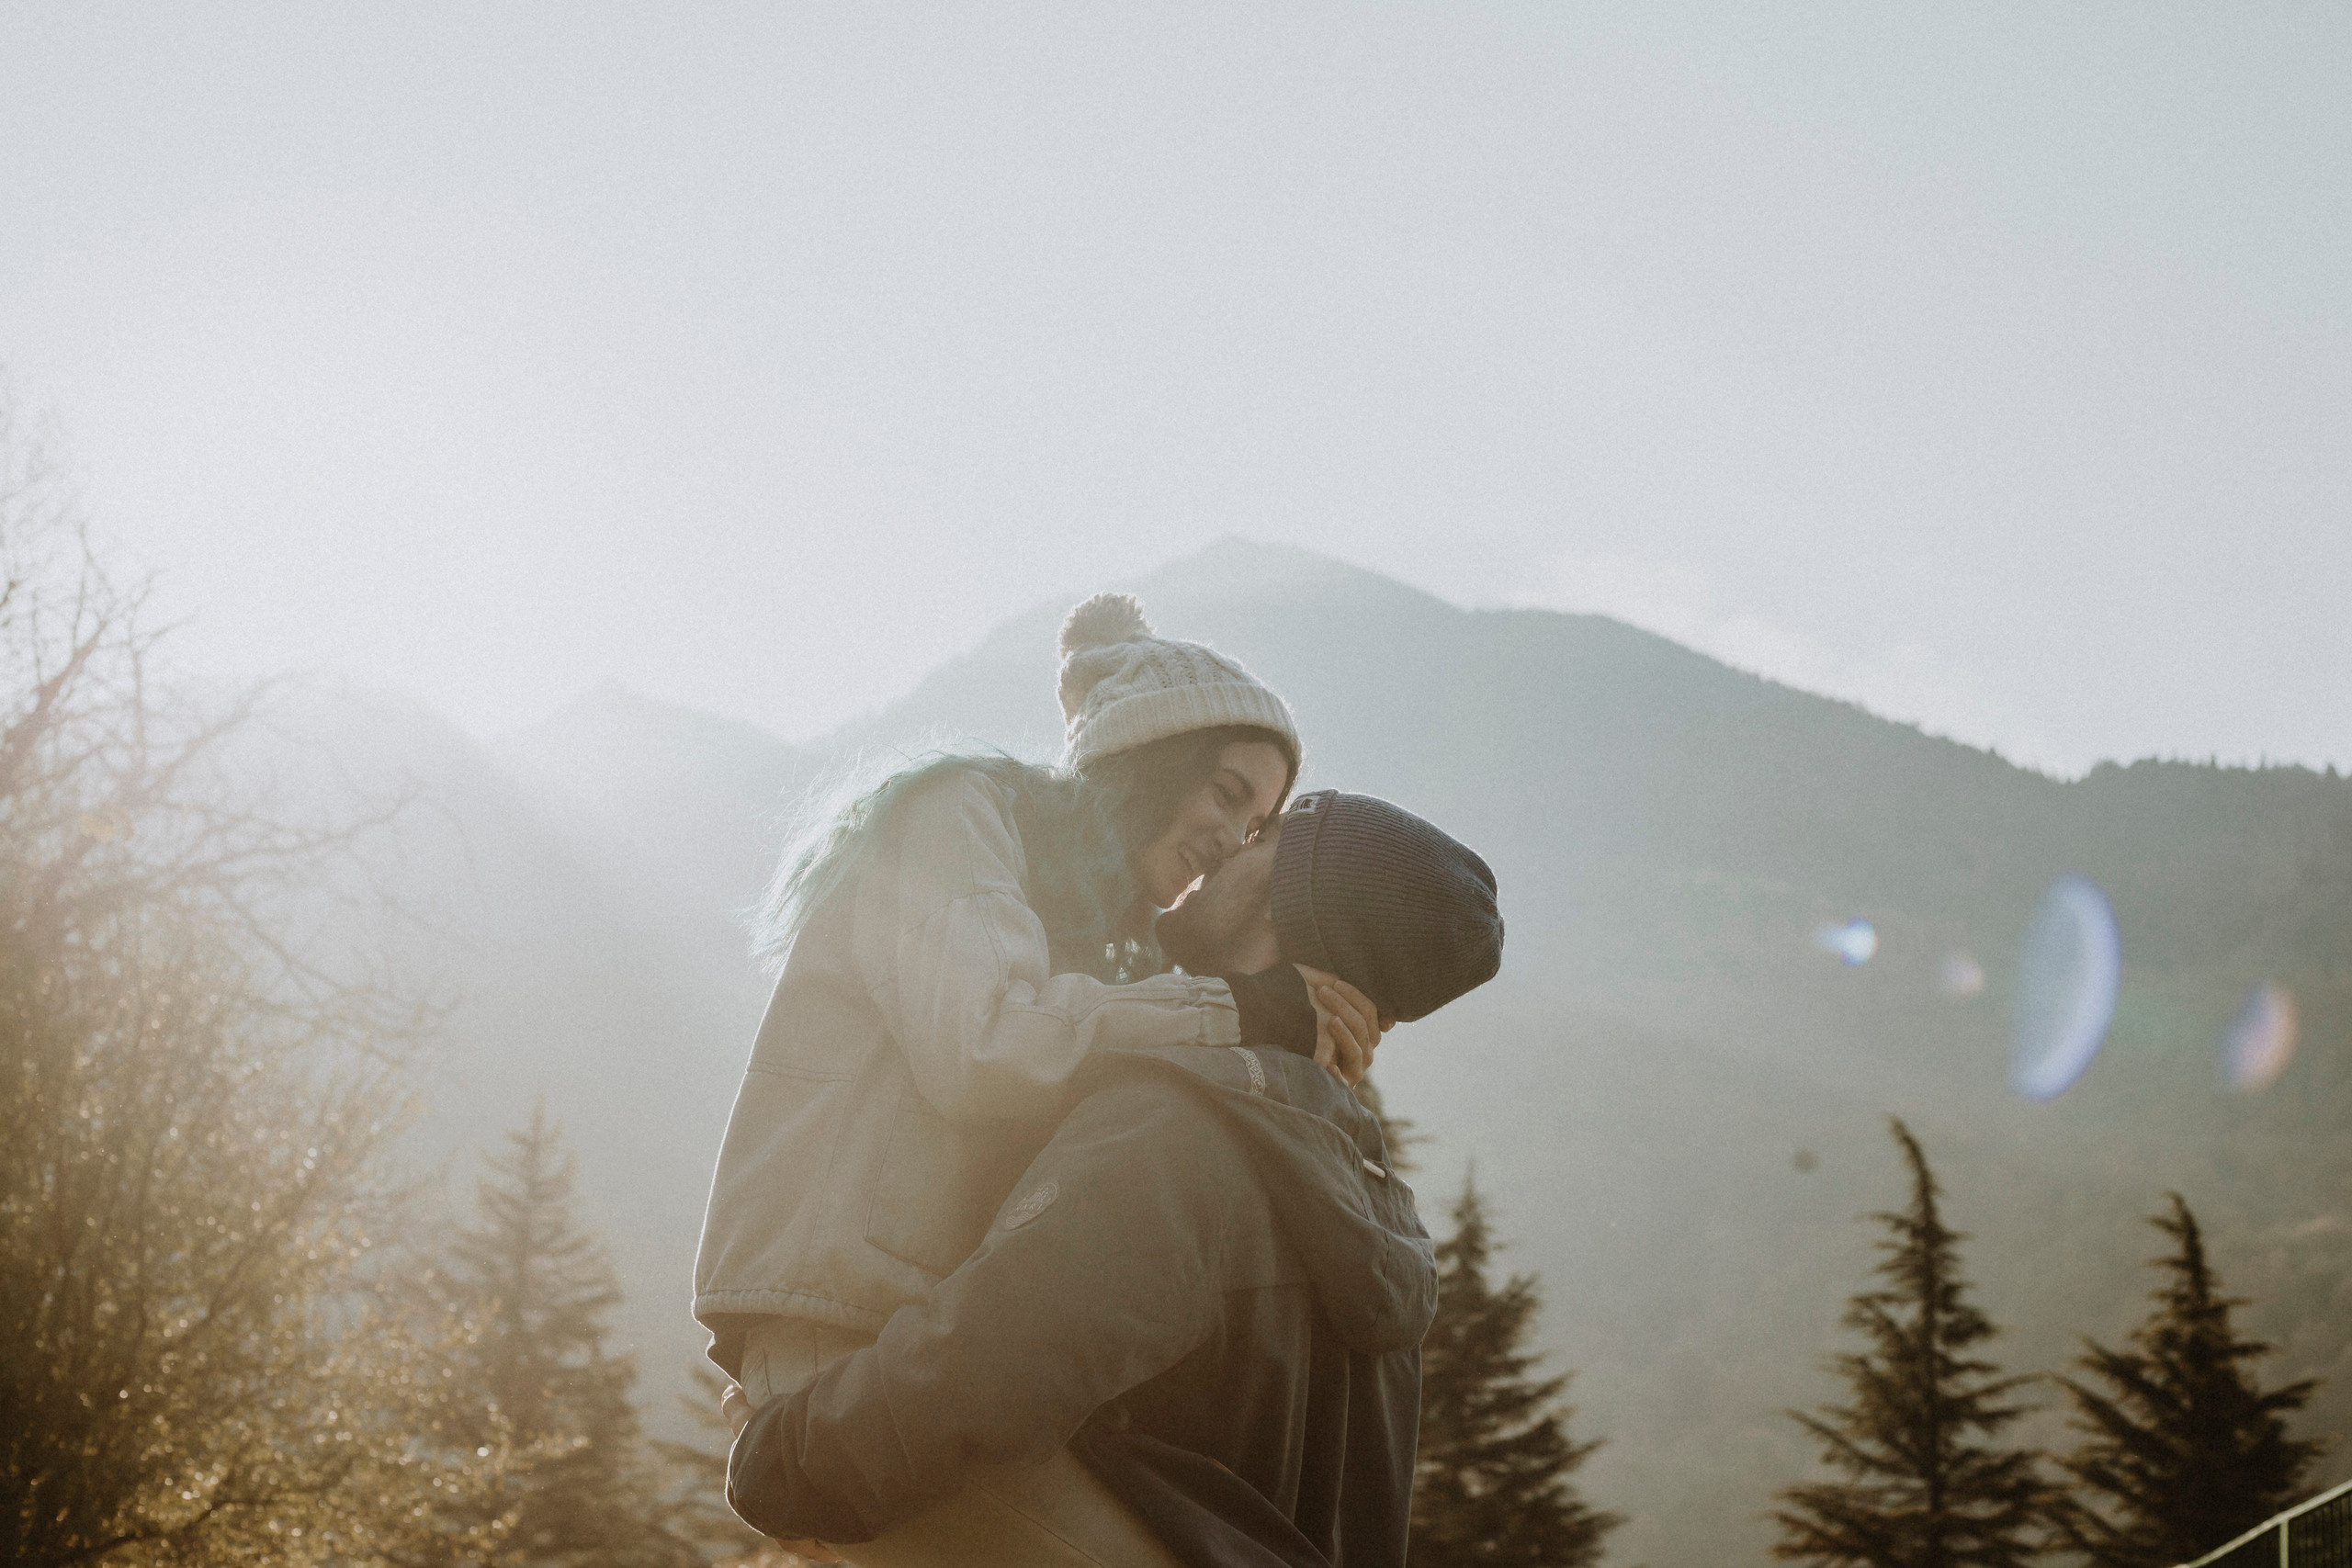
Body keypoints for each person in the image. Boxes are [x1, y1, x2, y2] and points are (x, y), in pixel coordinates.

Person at [695, 595, 1391, 1542]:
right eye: (1226, 794)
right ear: (1153, 758)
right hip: (849, 1344)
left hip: (947, 1365)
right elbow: (988, 1047)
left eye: (1257, 823)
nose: (1232, 838)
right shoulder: (962, 814)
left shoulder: (1119, 944)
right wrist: (1240, 1011)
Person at [726, 790, 1505, 1568]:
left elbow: (989, 1360)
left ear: (1297, 898)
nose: (1233, 840)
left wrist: (791, 1459)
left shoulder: (1179, 1131)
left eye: (1265, 832)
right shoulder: (1365, 1193)